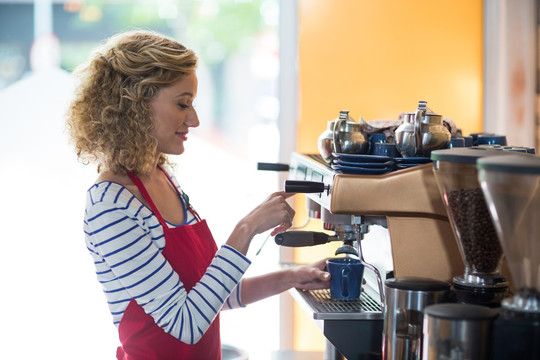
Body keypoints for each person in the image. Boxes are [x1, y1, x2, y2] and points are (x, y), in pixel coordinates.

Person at [65, 30, 330, 360]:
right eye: (182, 104)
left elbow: (213, 296)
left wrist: (293, 277)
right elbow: (186, 322)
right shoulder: (111, 206)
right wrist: (246, 229)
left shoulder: (163, 177)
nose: (194, 119)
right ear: (135, 105)